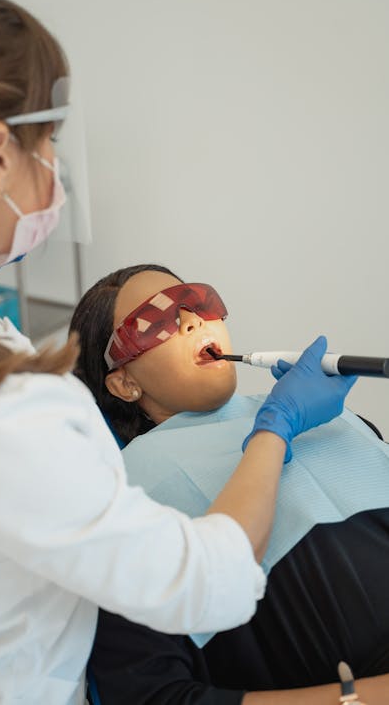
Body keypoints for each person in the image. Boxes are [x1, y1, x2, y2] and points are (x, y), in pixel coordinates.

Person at [0, 0, 360, 705]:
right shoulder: (4, 413)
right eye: (47, 141)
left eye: (198, 303)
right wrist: (275, 428)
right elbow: (210, 585)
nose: (196, 322)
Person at [69, 264, 389, 704]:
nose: (191, 320)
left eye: (196, 301)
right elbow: (149, 694)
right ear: (124, 383)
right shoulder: (125, 495)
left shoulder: (335, 419)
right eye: (155, 321)